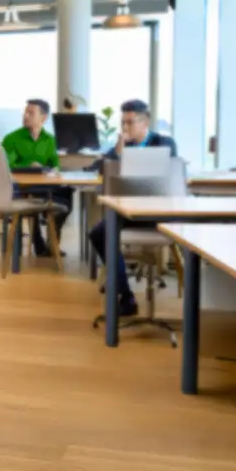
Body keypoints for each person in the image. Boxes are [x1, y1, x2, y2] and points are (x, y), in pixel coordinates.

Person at [85, 98, 178, 317]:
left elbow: (166, 167)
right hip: (129, 211)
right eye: (123, 123)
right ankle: (125, 297)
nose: (125, 128)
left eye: (130, 122)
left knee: (105, 229)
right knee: (98, 233)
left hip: (159, 212)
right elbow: (96, 166)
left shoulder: (163, 143)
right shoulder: (124, 146)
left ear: (145, 123)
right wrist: (117, 153)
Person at [1, 98, 67, 256]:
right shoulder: (12, 139)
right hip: (19, 187)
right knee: (32, 198)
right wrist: (29, 167)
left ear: (43, 118)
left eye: (31, 113)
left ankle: (53, 242)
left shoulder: (50, 140)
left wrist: (53, 170)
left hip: (45, 185)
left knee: (67, 195)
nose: (26, 115)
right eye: (25, 112)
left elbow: (55, 165)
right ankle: (39, 243)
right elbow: (7, 167)